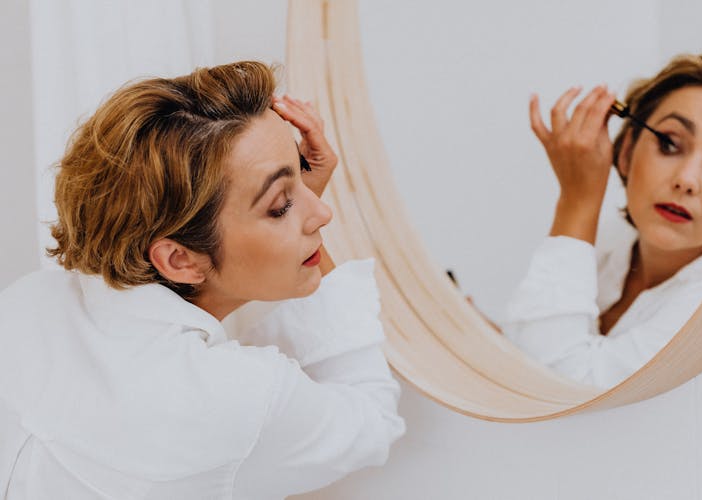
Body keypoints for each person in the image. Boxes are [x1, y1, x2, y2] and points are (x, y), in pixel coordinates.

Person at [0, 61, 405, 499]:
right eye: (279, 206)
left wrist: (292, 198)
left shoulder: (26, 301)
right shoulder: (236, 397)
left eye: (299, 173)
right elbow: (371, 421)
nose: (322, 213)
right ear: (178, 258)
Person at [500, 51, 702, 388]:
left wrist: (577, 203)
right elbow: (531, 356)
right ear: (628, 150)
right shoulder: (614, 240)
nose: (687, 180)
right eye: (669, 143)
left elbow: (558, 393)